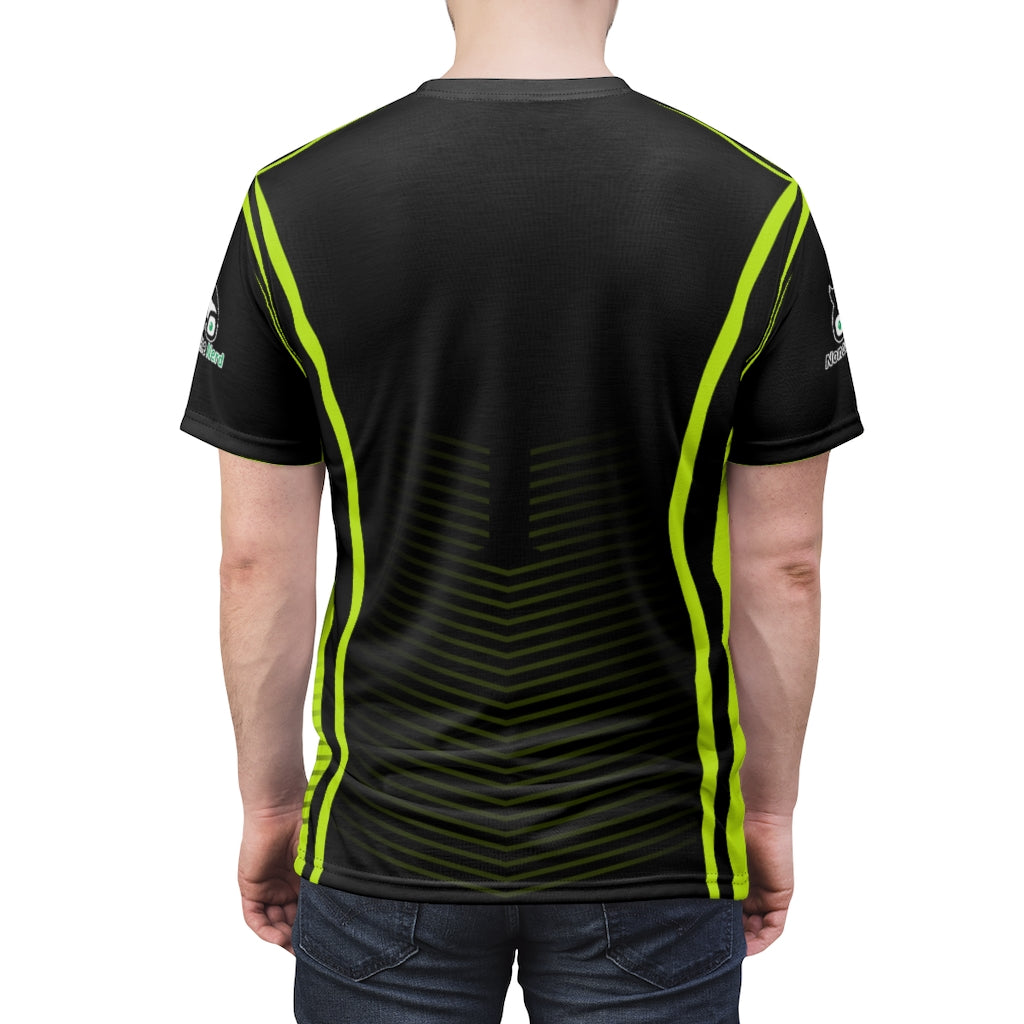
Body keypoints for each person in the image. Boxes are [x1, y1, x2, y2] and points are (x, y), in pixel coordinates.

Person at [180, 1, 863, 1020]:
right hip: (653, 847)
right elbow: (784, 565)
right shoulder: (755, 207)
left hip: (385, 840)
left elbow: (256, 561)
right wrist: (763, 813)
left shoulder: (292, 204)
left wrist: (273, 802)